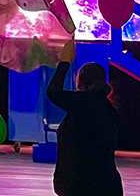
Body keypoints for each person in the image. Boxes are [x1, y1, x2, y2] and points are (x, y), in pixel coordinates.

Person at [46, 39, 123, 196]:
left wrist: (65, 61)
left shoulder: (82, 103)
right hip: (108, 185)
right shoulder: (110, 110)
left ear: (79, 81)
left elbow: (53, 92)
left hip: (79, 185)